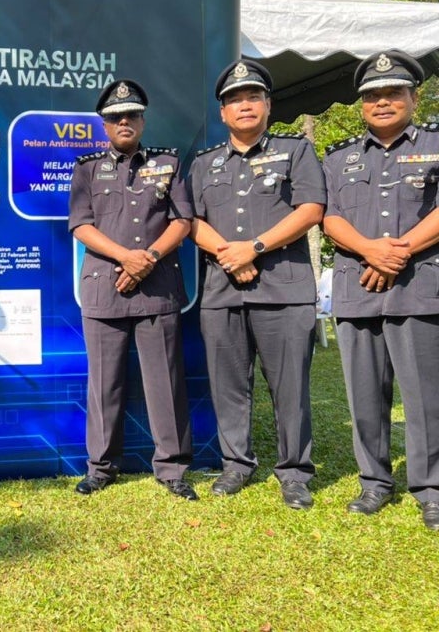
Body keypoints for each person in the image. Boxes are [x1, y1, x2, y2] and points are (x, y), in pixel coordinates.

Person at [188, 59, 325, 510]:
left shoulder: (296, 151)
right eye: (233, 100)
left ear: (267, 104)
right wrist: (231, 255)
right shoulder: (206, 164)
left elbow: (311, 209)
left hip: (283, 289)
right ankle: (236, 465)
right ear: (222, 113)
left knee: (289, 386)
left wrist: (256, 247)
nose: (243, 106)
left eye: (252, 97)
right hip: (222, 291)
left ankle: (294, 473)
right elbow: (192, 221)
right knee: (229, 385)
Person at [322, 50, 439, 529]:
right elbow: (328, 217)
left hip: (418, 287)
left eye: (393, 92)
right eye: (373, 95)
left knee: (424, 396)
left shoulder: (435, 144)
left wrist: (399, 251)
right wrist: (372, 250)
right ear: (362, 105)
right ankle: (374, 483)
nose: (383, 101)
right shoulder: (339, 157)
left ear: (414, 96)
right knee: (365, 395)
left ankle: (431, 488)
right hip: (358, 290)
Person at [68, 80, 196, 501]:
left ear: (142, 120)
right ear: (104, 125)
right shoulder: (87, 168)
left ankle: (173, 469)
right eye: (115, 117)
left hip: (157, 287)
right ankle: (101, 468)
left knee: (166, 382)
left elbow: (183, 221)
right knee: (104, 385)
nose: (124, 122)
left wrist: (149, 259)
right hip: (105, 290)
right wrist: (127, 257)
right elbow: (81, 226)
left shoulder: (169, 163)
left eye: (132, 115)